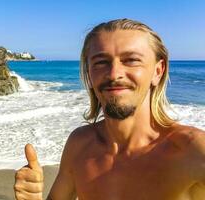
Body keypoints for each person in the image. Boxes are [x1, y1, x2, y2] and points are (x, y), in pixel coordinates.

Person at [14, 19, 205, 200]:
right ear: (89, 73)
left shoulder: (192, 150)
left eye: (131, 60)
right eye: (101, 62)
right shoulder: (80, 145)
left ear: (157, 71)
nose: (114, 74)